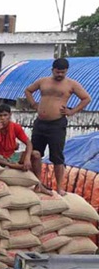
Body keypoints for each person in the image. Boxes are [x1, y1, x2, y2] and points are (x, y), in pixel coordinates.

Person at [24, 58, 92, 195]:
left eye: (63, 72)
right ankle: (36, 183)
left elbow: (86, 98)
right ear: (52, 70)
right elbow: (28, 90)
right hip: (40, 123)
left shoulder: (71, 84)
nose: (60, 74)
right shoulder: (43, 81)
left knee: (57, 157)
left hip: (57, 124)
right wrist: (34, 104)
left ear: (66, 71)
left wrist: (72, 111)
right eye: (57, 72)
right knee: (35, 154)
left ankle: (59, 187)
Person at [0, 104, 48, 193]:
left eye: (5, 115)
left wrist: (27, 158)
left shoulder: (15, 127)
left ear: (10, 115)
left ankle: (38, 184)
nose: (3, 118)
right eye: (0, 116)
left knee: (36, 154)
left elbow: (28, 143)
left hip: (12, 156)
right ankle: (13, 166)